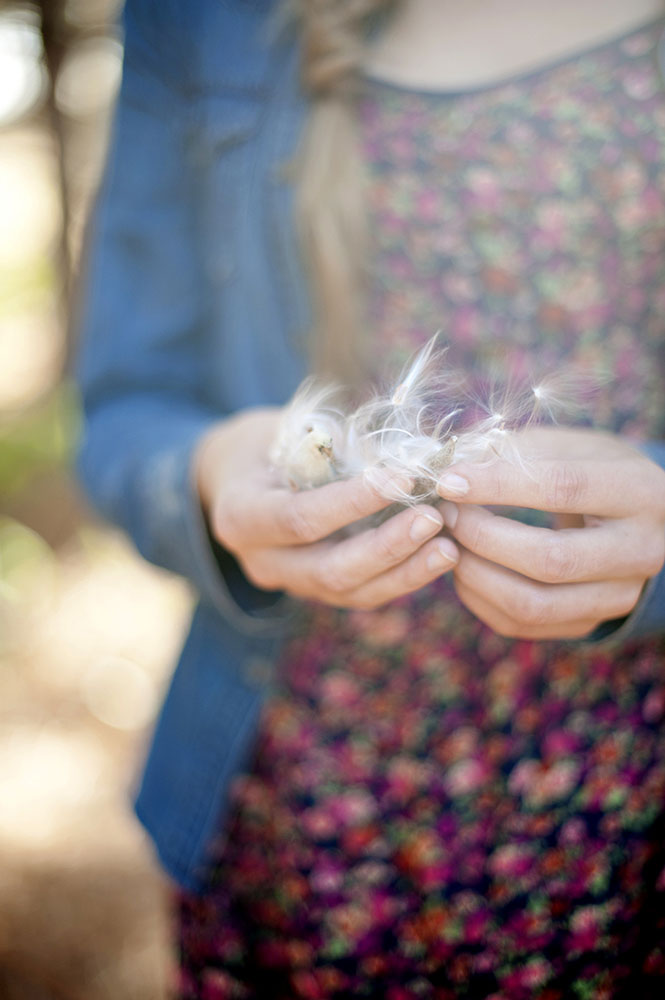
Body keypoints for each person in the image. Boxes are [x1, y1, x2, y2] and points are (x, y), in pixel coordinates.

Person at [76, 0, 665, 996]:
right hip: (302, 820)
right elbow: (124, 415)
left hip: (624, 820)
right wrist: (215, 474)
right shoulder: (200, 21)